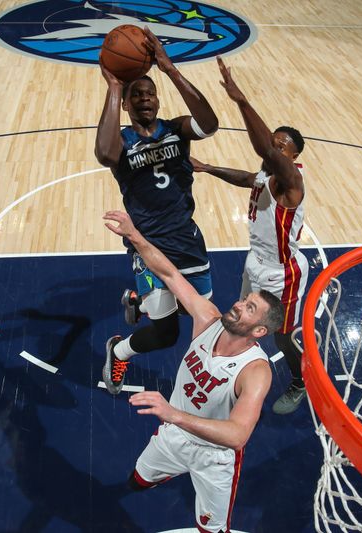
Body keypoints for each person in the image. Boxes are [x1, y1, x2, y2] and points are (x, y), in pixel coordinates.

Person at [103, 209, 284, 533]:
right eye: (245, 301)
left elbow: (238, 435)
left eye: (250, 308)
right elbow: (170, 274)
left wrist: (174, 415)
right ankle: (169, 470)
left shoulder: (255, 372)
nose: (239, 305)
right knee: (138, 480)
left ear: (259, 331)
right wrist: (134, 234)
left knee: (211, 530)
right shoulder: (208, 319)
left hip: (214, 457)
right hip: (173, 436)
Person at [95, 27, 219, 394]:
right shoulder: (121, 140)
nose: (145, 99)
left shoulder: (176, 130)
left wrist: (169, 68)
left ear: (158, 102)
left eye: (150, 94)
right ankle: (118, 350)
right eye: (137, 95)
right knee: (166, 335)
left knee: (191, 310)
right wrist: (115, 87)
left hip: (187, 240)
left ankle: (137, 299)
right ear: (127, 105)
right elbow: (104, 154)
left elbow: (209, 125)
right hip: (148, 246)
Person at [189, 57, 309, 415]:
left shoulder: (292, 181)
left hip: (281, 273)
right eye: (274, 141)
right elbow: (248, 177)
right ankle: (234, 372)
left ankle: (300, 381)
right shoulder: (266, 176)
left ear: (294, 155)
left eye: (281, 145)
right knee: (242, 318)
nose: (274, 147)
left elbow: (266, 153)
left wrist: (240, 100)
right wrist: (209, 168)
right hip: (254, 262)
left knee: (282, 336)